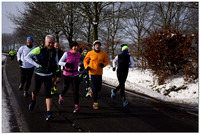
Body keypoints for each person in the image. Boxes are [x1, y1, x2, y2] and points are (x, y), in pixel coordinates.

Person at [25, 35, 59, 120]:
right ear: (45, 42)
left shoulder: (54, 51)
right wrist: (36, 65)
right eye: (49, 43)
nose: (51, 44)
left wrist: (58, 73)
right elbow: (27, 57)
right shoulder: (39, 49)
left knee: (48, 94)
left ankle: (48, 112)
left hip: (49, 75)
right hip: (39, 74)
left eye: (52, 43)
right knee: (36, 91)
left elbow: (56, 62)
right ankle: (33, 101)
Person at [83, 40, 108, 109]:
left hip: (99, 72)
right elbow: (85, 61)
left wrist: (104, 64)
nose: (97, 46)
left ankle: (90, 90)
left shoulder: (103, 53)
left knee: (99, 88)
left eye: (99, 45)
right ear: (94, 46)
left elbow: (106, 61)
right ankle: (95, 103)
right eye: (96, 45)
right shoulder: (90, 53)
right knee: (96, 88)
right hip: (92, 72)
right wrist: (86, 67)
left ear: (100, 46)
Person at [58, 41, 81, 113]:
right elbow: (60, 62)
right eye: (75, 46)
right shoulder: (66, 54)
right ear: (72, 47)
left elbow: (79, 62)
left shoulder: (78, 55)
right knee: (66, 88)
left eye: (77, 46)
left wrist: (81, 65)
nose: (76, 48)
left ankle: (76, 106)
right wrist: (66, 64)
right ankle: (61, 96)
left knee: (76, 91)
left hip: (75, 74)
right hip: (66, 74)